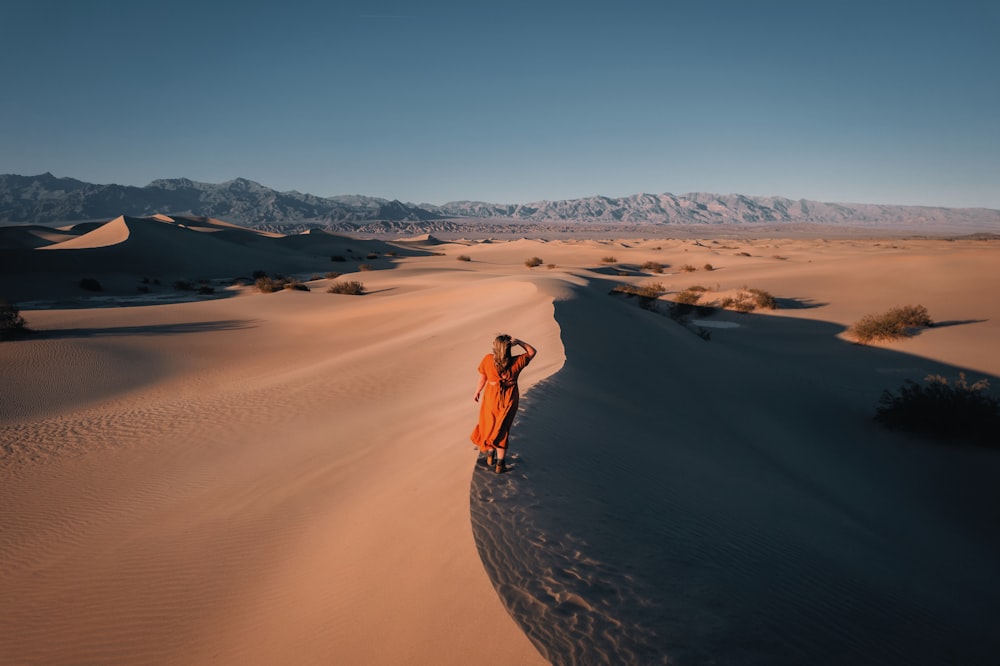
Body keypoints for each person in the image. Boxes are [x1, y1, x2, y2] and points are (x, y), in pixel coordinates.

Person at [471, 334, 537, 474]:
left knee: (490, 424)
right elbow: (532, 352)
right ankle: (500, 464)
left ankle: (490, 457)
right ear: (509, 348)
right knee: (503, 428)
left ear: (495, 348)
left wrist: (477, 391)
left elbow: (482, 377)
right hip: (509, 399)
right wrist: (519, 341)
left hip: (491, 397)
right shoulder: (517, 361)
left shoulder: (488, 359)